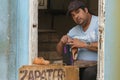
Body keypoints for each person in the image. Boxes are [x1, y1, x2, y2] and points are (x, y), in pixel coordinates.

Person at [56, 0, 98, 80]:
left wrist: (83, 45)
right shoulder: (73, 31)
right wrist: (61, 43)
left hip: (98, 66)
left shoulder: (99, 23)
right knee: (64, 72)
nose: (76, 17)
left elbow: (106, 47)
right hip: (80, 66)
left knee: (89, 73)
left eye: (78, 12)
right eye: (73, 15)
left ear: (86, 10)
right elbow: (60, 52)